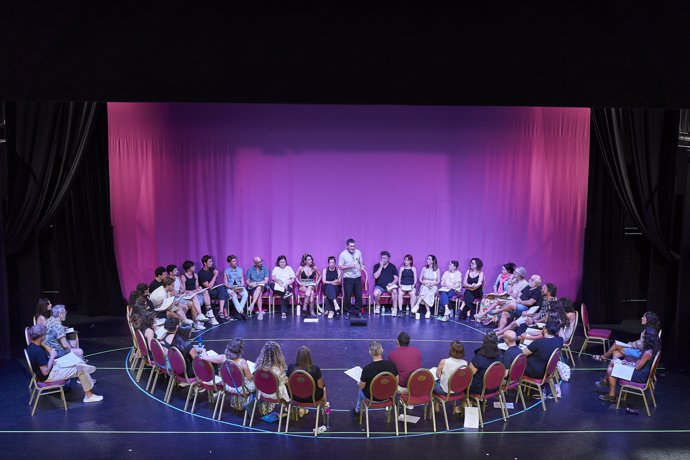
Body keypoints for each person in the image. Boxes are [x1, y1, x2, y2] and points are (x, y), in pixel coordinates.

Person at [26, 324, 103, 403]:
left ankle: (82, 366)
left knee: (75, 360)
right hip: (50, 374)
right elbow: (45, 372)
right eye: (44, 335)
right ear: (40, 337)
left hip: (53, 367)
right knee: (81, 370)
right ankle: (89, 396)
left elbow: (47, 355)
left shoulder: (32, 345)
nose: (45, 336)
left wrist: (44, 345)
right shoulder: (38, 352)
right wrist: (52, 357)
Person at [597, 327, 661, 403]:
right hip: (640, 371)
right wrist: (628, 363)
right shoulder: (652, 348)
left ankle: (611, 395)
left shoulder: (648, 352)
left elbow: (637, 367)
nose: (641, 334)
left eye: (643, 334)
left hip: (639, 375)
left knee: (611, 370)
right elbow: (640, 363)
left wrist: (627, 365)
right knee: (613, 363)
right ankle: (610, 391)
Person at [201, 338, 256, 410]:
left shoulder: (222, 358)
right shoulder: (242, 362)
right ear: (240, 350)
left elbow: (205, 358)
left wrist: (203, 350)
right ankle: (252, 405)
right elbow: (249, 377)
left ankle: (238, 403)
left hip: (227, 386)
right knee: (256, 383)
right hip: (240, 389)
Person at [352, 341, 398, 416]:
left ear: (370, 352)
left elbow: (362, 386)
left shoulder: (368, 369)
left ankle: (357, 410)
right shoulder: (391, 365)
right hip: (388, 395)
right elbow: (396, 382)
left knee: (360, 389)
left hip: (371, 398)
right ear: (382, 350)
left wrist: (359, 383)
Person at [593, 311, 660, 362]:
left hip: (639, 353)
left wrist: (632, 345)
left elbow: (642, 346)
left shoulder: (649, 332)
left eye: (644, 317)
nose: (642, 318)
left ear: (648, 320)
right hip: (637, 350)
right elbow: (640, 342)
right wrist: (632, 343)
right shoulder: (647, 329)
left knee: (616, 344)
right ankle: (615, 373)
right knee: (616, 352)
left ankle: (604, 357)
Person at [522, 318, 563, 391]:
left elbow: (522, 354)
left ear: (545, 330)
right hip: (547, 372)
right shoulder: (560, 340)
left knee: (515, 357)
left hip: (535, 372)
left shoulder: (539, 342)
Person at [287, 346, 326, 416]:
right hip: (312, 398)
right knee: (324, 387)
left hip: (295, 397)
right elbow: (320, 386)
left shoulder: (291, 368)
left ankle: (301, 408)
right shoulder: (315, 369)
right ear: (309, 357)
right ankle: (325, 408)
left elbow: (287, 384)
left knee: (300, 386)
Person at [255, 341, 290, 414]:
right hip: (276, 394)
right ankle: (286, 407)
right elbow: (284, 381)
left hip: (262, 392)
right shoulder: (278, 368)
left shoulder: (259, 367)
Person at [434, 341, 468, 413]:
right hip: (459, 390)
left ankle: (436, 404)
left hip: (445, 390)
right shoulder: (465, 363)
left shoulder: (444, 361)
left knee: (432, 383)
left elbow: (438, 375)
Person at [338, 238, 365, 318]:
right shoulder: (343, 254)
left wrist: (362, 265)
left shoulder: (358, 252)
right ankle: (347, 311)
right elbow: (340, 266)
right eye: (351, 246)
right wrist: (350, 266)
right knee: (348, 295)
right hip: (348, 278)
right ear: (347, 246)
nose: (353, 248)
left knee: (358, 295)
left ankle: (358, 311)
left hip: (357, 277)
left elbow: (361, 262)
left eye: (354, 246)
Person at [180, 260, 209, 330]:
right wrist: (191, 291)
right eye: (192, 266)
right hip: (188, 294)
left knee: (205, 290)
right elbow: (183, 290)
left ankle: (209, 311)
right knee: (194, 297)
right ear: (188, 268)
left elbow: (196, 286)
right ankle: (198, 317)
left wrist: (199, 288)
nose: (194, 267)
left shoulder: (195, 275)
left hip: (194, 293)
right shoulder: (183, 276)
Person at [197, 255, 225, 324]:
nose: (212, 263)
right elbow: (208, 286)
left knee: (222, 288)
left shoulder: (212, 269)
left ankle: (221, 311)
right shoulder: (201, 273)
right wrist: (215, 275)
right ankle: (213, 315)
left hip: (214, 289)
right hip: (207, 292)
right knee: (224, 294)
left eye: (212, 261)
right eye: (210, 261)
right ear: (205, 263)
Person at [411, 255, 439, 320]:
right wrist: (426, 283)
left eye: (429, 259)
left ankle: (417, 305)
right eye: (427, 259)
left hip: (433, 286)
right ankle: (428, 311)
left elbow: (438, 281)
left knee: (425, 292)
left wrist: (432, 284)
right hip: (424, 285)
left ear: (433, 261)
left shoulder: (437, 270)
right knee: (425, 289)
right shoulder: (424, 268)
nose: (427, 260)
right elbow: (420, 279)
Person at [372, 251, 399, 315]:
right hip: (380, 286)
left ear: (388, 259)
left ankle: (394, 308)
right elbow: (376, 276)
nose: (382, 259)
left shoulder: (392, 266)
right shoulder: (376, 266)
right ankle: (378, 306)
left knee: (395, 292)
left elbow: (396, 278)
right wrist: (381, 267)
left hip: (389, 286)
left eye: (384, 258)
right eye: (381, 258)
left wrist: (392, 283)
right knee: (375, 294)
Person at [223, 255, 248, 321]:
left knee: (245, 293)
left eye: (235, 261)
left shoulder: (240, 270)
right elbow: (225, 284)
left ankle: (238, 312)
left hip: (239, 287)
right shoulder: (226, 271)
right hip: (230, 288)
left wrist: (241, 287)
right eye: (233, 261)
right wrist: (232, 288)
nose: (235, 262)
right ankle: (241, 312)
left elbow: (242, 282)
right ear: (229, 263)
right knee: (234, 295)